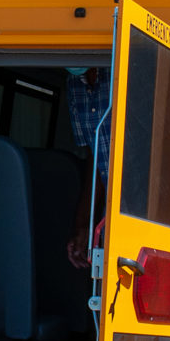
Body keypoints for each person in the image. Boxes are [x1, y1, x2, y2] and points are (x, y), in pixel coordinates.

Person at [64, 67, 111, 268]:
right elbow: (97, 158)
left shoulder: (126, 68)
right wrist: (85, 224)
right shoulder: (74, 83)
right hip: (107, 215)